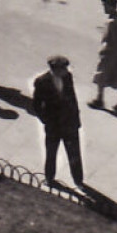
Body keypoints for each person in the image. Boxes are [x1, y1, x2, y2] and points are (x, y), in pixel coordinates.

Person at [32, 54, 84, 186]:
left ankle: (78, 181)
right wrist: (46, 120)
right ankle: (49, 178)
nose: (66, 71)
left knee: (74, 155)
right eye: (63, 69)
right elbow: (36, 105)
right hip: (53, 126)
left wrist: (76, 119)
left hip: (69, 124)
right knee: (51, 154)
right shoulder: (42, 82)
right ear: (55, 69)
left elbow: (73, 98)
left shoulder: (68, 77)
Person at [89, 0, 117, 113]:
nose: (104, 8)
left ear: (111, 6)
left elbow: (109, 40)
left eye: (105, 5)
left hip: (111, 55)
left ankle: (99, 99)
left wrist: (103, 52)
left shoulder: (112, 22)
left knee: (101, 75)